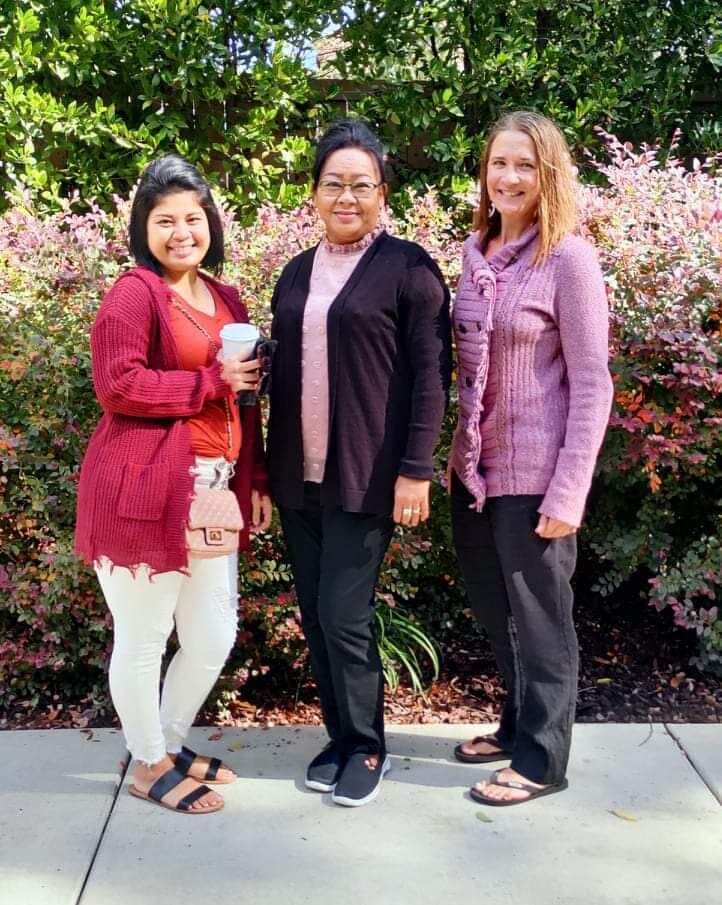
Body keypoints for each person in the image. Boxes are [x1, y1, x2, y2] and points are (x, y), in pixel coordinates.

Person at [75, 155, 272, 814]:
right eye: (165, 220)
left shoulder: (225, 299)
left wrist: (254, 476)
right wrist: (210, 381)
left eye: (193, 217)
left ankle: (166, 743)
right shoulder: (135, 293)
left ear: (210, 222)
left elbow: (243, 399)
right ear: (144, 227)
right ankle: (148, 763)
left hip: (212, 489)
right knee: (145, 636)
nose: (182, 232)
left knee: (213, 632)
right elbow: (117, 384)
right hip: (144, 488)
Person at [268, 120, 452, 807]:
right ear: (314, 192)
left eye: (361, 184)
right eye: (333, 183)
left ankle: (369, 744)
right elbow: (288, 368)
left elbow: (432, 377)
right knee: (316, 616)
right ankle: (340, 737)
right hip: (298, 475)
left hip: (365, 476)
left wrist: (416, 469)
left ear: (383, 193)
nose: (346, 196)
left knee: (344, 614)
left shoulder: (409, 269)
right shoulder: (296, 272)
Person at [449, 111, 613, 806]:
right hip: (474, 475)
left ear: (548, 175)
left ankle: (543, 760)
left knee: (542, 620)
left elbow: (593, 382)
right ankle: (516, 726)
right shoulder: (474, 254)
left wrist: (569, 490)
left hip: (537, 477)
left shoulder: (568, 259)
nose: (509, 177)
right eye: (499, 163)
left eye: (525, 165)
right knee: (497, 612)